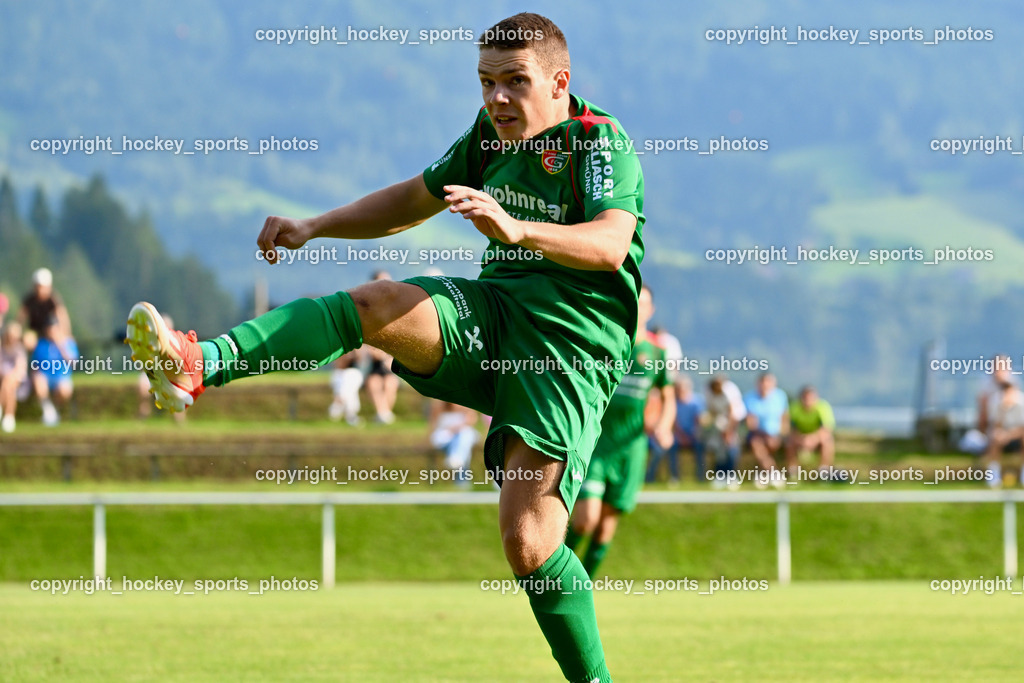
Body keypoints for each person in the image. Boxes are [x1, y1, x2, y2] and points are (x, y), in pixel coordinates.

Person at [126, 13, 642, 682]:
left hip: (568, 349)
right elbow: (410, 198)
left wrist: (517, 228)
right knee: (374, 305)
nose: (497, 99)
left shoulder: (599, 144)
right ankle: (200, 366)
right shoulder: (490, 136)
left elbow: (609, 244)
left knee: (528, 542)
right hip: (495, 313)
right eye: (486, 83)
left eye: (515, 82)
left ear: (559, 81)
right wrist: (316, 225)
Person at [565, 285, 673, 577]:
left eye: (645, 303)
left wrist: (663, 426)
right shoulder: (607, 343)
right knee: (586, 521)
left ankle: (582, 586)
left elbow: (667, 397)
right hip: (597, 445)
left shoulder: (657, 352)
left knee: (606, 527)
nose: (639, 308)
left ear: (651, 310)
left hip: (632, 448)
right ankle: (555, 579)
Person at [646, 374, 704, 485]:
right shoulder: (673, 403)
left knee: (700, 446)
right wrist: (682, 437)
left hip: (693, 435)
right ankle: (674, 477)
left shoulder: (697, 402)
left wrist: (693, 436)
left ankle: (700, 477)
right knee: (672, 447)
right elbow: (675, 423)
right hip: (679, 435)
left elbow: (698, 422)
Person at [744, 372, 788, 488]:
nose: (765, 386)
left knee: (771, 443)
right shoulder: (750, 398)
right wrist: (765, 435)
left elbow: (784, 418)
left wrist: (781, 434)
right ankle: (773, 472)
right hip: (757, 434)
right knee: (757, 443)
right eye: (762, 383)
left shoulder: (780, 396)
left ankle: (763, 473)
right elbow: (751, 423)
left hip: (776, 434)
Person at [703, 375, 745, 489]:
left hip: (736, 420)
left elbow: (733, 413)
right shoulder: (708, 390)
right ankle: (720, 476)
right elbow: (712, 409)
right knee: (719, 449)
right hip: (721, 420)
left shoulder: (729, 390)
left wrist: (729, 432)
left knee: (732, 446)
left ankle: (731, 476)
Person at [982, 376, 1024, 487]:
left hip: (1017, 437)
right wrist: (1003, 410)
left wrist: (1009, 435)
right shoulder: (996, 402)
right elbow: (995, 425)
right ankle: (993, 476)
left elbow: (1022, 428)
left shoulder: (1022, 402)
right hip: (1002, 438)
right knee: (995, 437)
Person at [786, 385, 836, 478]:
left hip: (817, 439)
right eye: (805, 398)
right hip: (799, 438)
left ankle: (823, 472)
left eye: (811, 398)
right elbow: (789, 428)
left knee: (827, 442)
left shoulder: (823, 406)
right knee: (789, 443)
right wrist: (801, 440)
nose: (808, 401)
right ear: (801, 398)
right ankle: (793, 472)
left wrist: (813, 439)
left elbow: (827, 428)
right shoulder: (795, 407)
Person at [429, 400, 480, 486]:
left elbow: (471, 420)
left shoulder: (467, 404)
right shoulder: (439, 406)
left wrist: (457, 428)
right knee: (462, 447)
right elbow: (433, 424)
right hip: (445, 438)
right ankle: (462, 479)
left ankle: (455, 459)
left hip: (461, 435)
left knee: (463, 437)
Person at [0, 322, 29, 433]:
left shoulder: (19, 349)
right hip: (4, 379)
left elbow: (20, 369)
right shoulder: (1, 348)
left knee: (9, 383)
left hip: (17, 379)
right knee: (8, 387)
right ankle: (9, 416)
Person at [328, 349, 365, 425]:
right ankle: (350, 415)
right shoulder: (338, 348)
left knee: (350, 376)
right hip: (339, 374)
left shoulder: (358, 348)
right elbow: (339, 364)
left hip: (353, 374)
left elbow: (360, 361)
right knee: (348, 384)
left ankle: (338, 403)